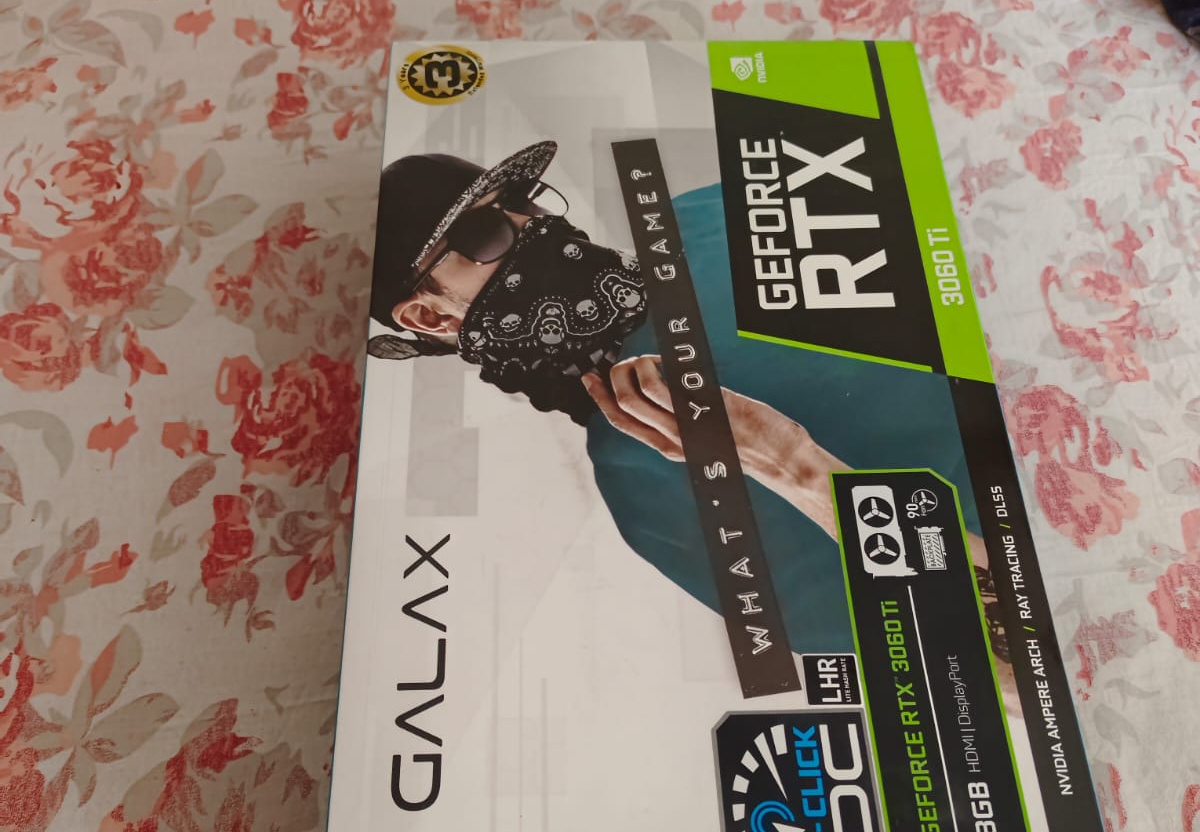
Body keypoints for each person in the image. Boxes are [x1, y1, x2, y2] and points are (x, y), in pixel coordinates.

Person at [369, 141, 1016, 689]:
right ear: (428, 317)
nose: (536, 224)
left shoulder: (706, 217)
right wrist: (792, 465)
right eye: (483, 233)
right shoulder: (640, 487)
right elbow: (1008, 670)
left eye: (523, 199)